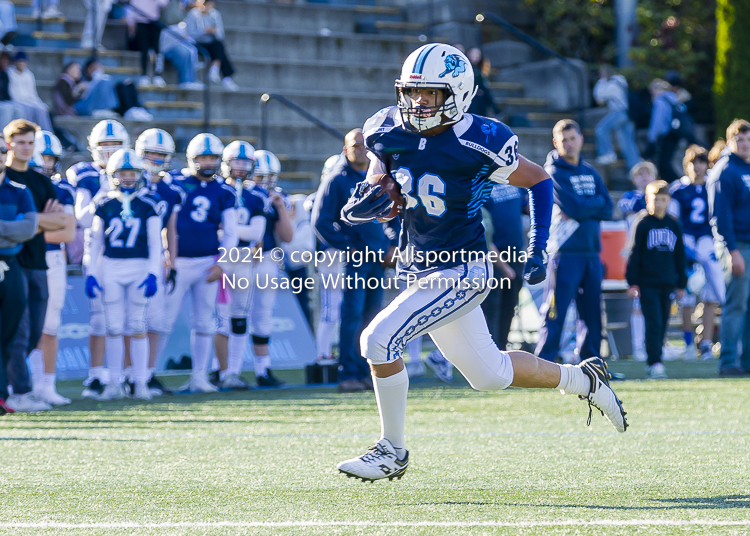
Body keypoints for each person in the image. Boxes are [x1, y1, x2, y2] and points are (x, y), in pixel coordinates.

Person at [336, 44, 627, 482]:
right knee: (489, 374)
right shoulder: (385, 128)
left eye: (430, 95)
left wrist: (538, 243)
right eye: (412, 93)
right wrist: (375, 194)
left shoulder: (480, 140)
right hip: (419, 269)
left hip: (462, 269)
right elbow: (380, 174)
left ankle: (391, 451)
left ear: (458, 93)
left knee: (377, 341)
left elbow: (540, 180)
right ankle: (584, 380)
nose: (417, 104)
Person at [312, 129, 390, 393]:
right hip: (355, 260)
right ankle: (348, 371)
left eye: (363, 145)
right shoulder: (336, 180)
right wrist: (349, 247)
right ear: (345, 149)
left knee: (373, 316)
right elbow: (321, 222)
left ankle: (368, 371)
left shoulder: (378, 177)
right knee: (352, 315)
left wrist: (391, 246)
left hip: (379, 260)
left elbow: (393, 216)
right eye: (354, 145)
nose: (360, 149)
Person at [160, 133, 237, 393]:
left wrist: (223, 263)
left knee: (205, 322)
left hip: (207, 262)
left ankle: (200, 376)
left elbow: (231, 231)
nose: (207, 162)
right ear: (192, 159)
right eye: (203, 157)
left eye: (212, 157)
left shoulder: (224, 190)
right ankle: (144, 374)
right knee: (163, 320)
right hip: (177, 262)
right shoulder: (175, 181)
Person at [85, 149, 162, 400]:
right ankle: (114, 382)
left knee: (138, 325)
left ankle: (140, 382)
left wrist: (153, 273)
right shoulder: (104, 204)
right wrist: (92, 273)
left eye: (132, 173)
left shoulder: (149, 204)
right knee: (114, 327)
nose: (128, 178)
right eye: (123, 173)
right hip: (112, 266)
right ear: (113, 175)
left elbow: (155, 244)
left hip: (139, 267)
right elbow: (94, 243)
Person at [5, 119, 69, 413]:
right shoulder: (4, 181)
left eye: (30, 143)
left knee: (34, 334)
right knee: (18, 331)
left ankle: (10, 384)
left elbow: (63, 223)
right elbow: (47, 221)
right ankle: (20, 391)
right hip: (11, 263)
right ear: (9, 144)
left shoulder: (41, 181)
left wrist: (25, 223)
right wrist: (34, 221)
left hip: (39, 263)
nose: (26, 148)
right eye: (21, 142)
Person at [536, 120, 613, 364]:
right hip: (565, 252)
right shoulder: (553, 172)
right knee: (555, 311)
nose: (569, 144)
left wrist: (587, 206)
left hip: (591, 252)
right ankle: (544, 362)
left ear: (581, 139)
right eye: (564, 140)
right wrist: (592, 204)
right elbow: (575, 207)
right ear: (555, 143)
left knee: (592, 315)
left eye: (572, 138)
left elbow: (609, 208)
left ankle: (591, 364)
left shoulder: (590, 171)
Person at [66, 119, 130, 398]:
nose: (109, 150)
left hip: (129, 254)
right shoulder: (85, 174)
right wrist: (108, 192)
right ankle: (95, 374)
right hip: (98, 253)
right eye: (104, 144)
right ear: (93, 147)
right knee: (98, 319)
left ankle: (128, 374)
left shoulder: (133, 171)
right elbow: (83, 217)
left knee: (130, 319)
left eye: (115, 145)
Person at [213, 140, 266, 390]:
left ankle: (232, 371)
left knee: (239, 318)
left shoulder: (256, 194)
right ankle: (216, 369)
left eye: (245, 163)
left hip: (243, 259)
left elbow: (257, 231)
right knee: (216, 319)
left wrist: (228, 229)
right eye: (236, 162)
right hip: (218, 259)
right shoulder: (216, 190)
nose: (240, 168)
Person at [135, 128, 184, 395]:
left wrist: (172, 261)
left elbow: (171, 229)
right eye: (151, 153)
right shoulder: (130, 180)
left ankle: (147, 373)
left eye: (160, 154)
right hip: (129, 257)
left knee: (156, 321)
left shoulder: (170, 189)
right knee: (129, 321)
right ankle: (121, 376)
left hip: (156, 259)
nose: (155, 159)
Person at [28, 130, 76, 405]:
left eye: (49, 158)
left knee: (49, 326)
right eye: (40, 158)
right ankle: (20, 385)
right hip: (23, 260)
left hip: (52, 260)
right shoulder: (14, 186)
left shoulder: (62, 189)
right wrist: (47, 221)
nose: (45, 164)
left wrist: (28, 229)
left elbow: (67, 234)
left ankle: (46, 384)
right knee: (22, 327)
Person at [626, 180, 687, 379]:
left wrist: (681, 283)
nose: (659, 204)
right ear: (647, 200)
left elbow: (680, 255)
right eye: (655, 199)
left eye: (663, 199)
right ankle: (654, 362)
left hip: (667, 282)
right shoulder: (642, 223)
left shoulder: (673, 224)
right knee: (653, 322)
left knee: (663, 322)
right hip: (647, 283)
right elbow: (634, 253)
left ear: (669, 200)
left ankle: (657, 358)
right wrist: (632, 281)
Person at [669, 145, 724, 361]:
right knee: (687, 297)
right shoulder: (678, 189)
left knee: (712, 297)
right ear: (686, 166)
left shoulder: (714, 185)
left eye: (701, 161)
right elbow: (673, 221)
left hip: (710, 244)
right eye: (693, 162)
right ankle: (688, 343)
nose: (697, 167)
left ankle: (708, 342)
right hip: (688, 247)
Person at [707, 119, 750, 376]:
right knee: (736, 305)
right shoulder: (725, 171)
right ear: (730, 141)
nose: (745, 144)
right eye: (740, 140)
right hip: (737, 246)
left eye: (748, 140)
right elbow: (720, 218)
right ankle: (728, 361)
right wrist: (732, 251)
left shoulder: (746, 168)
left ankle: (747, 361)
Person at [0, 135, 38, 415]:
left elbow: (28, 229)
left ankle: (3, 395)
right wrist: (9, 229)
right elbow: (18, 228)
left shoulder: (18, 190)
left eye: (3, 150)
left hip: (12, 265)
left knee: (10, 334)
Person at [248, 150, 292, 388]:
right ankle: (222, 369)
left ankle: (262, 371)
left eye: (269, 177)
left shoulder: (278, 197)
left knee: (263, 315)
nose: (264, 182)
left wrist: (281, 209)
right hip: (239, 258)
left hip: (267, 259)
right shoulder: (239, 194)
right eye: (259, 177)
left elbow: (287, 236)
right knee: (227, 318)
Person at [618, 161, 658, 361]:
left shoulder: (660, 198)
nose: (644, 178)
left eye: (648, 174)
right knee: (637, 302)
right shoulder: (629, 198)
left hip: (654, 257)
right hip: (634, 253)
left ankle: (656, 344)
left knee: (656, 304)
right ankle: (637, 346)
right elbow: (632, 208)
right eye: (640, 175)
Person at [481, 183, 527, 350]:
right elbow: (483, 234)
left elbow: (526, 206)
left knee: (510, 306)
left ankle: (501, 351)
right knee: (491, 308)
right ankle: (489, 353)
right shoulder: (481, 184)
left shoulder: (514, 181)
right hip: (491, 256)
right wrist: (503, 265)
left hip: (515, 255)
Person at [645, 78, 696, 184]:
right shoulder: (674, 98)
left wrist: (652, 138)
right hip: (676, 134)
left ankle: (675, 184)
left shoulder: (660, 100)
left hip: (666, 135)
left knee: (663, 164)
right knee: (667, 162)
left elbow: (657, 122)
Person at [183, 0, 239, 91]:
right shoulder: (193, 14)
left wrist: (214, 31)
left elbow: (221, 35)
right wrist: (204, 31)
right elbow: (190, 34)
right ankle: (224, 77)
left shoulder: (215, 15)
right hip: (197, 43)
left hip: (211, 42)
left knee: (219, 46)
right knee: (219, 49)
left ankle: (215, 69)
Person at [593, 65, 641, 169]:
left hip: (619, 113)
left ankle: (608, 153)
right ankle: (635, 167)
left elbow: (599, 99)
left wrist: (601, 82)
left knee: (600, 129)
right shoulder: (621, 81)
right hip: (628, 114)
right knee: (628, 142)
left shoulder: (610, 85)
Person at [125, 0, 169, 87]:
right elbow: (132, 4)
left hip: (155, 21)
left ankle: (158, 75)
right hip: (141, 21)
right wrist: (131, 21)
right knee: (144, 49)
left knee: (157, 50)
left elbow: (164, 3)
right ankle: (144, 75)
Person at [7, 51, 53, 131]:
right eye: (19, 62)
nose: (21, 64)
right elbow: (12, 94)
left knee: (42, 109)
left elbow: (33, 93)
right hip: (16, 101)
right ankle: (28, 131)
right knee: (26, 110)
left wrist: (40, 103)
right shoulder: (9, 73)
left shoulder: (29, 74)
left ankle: (47, 133)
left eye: (23, 62)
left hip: (30, 101)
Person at [159, 22, 204, 89]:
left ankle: (191, 80)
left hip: (179, 38)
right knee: (184, 53)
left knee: (191, 51)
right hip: (167, 40)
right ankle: (185, 81)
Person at [465, 47, 500, 118]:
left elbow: (484, 87)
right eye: (473, 53)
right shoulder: (465, 69)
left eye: (477, 54)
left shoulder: (481, 70)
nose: (475, 56)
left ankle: (496, 110)